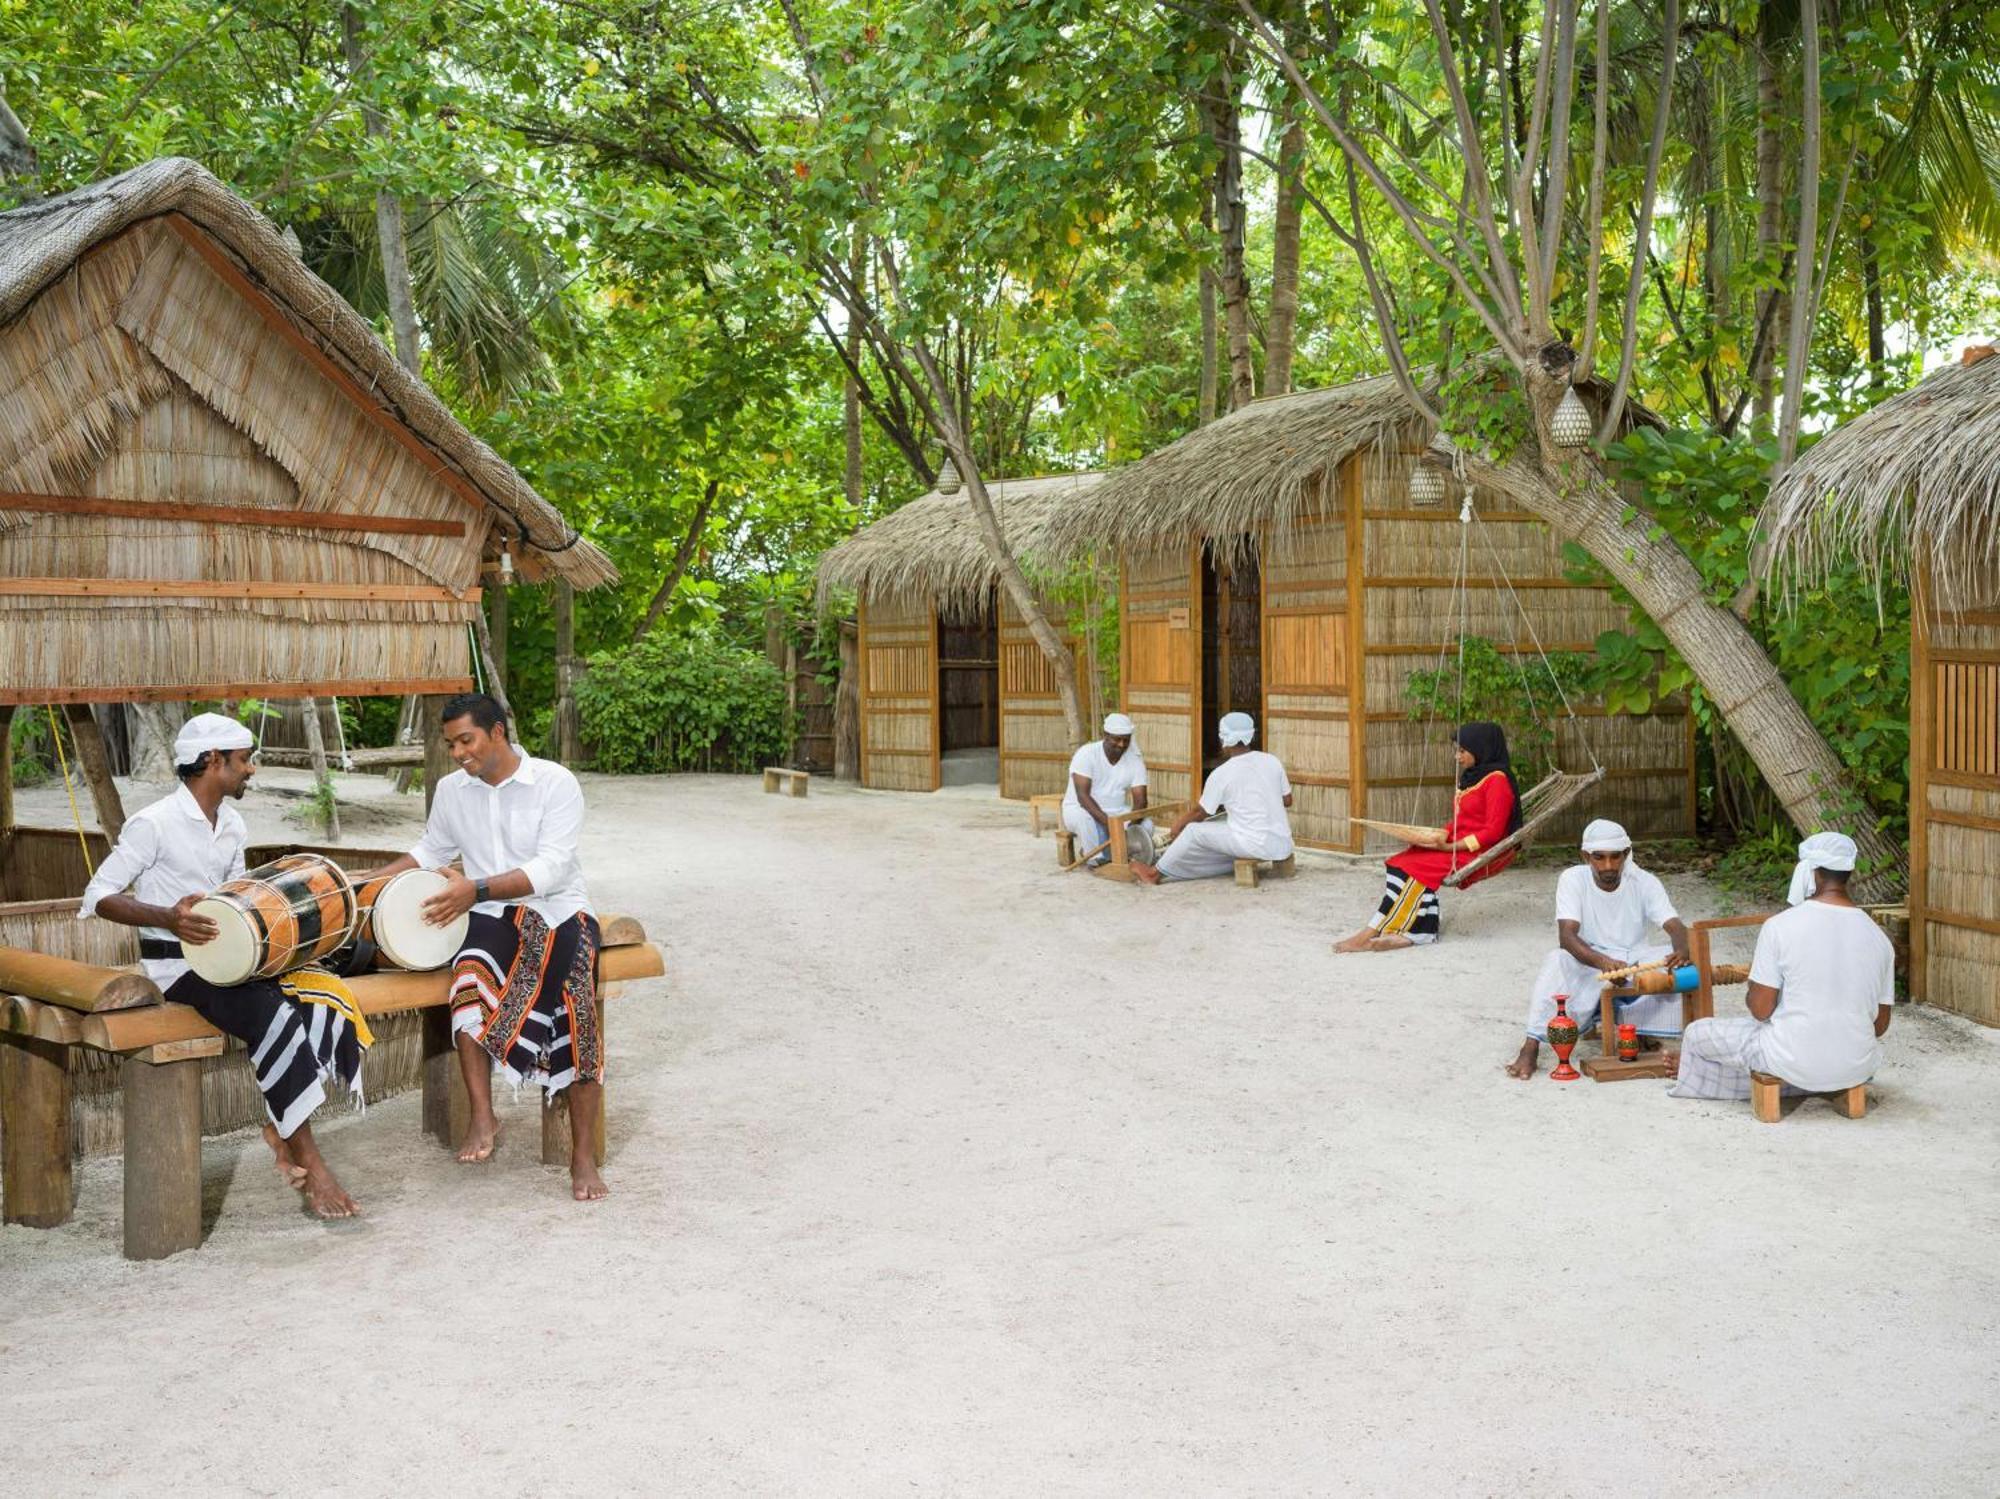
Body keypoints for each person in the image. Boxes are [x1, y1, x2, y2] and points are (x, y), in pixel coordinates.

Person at [80, 713, 369, 1218]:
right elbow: (98, 895)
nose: (251, 770)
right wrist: (168, 918)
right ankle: (309, 1158)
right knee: (271, 1013)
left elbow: (237, 899)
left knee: (327, 989)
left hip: (233, 961)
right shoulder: (155, 823)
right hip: (179, 970)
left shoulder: (231, 823)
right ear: (213, 762)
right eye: (244, 760)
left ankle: (280, 1129)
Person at [364, 693, 607, 1200]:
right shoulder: (453, 791)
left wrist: (473, 888)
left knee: (576, 1002)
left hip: (560, 911)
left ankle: (582, 1157)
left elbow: (553, 868)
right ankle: (483, 1113)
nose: (457, 753)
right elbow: (429, 851)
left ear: (498, 732)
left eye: (465, 740)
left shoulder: (554, 782)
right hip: (489, 915)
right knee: (468, 976)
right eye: (450, 743)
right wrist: (365, 883)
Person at [1666, 832, 1893, 1104]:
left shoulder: (1781, 926)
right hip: (1857, 1065)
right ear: (1848, 873)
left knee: (1697, 1032)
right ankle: (1817, 1086)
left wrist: (1754, 990)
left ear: (1811, 873)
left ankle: (1701, 1075)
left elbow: (1761, 1011)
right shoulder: (1878, 937)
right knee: (1793, 1045)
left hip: (1791, 1059)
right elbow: (1879, 1026)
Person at [1504, 819, 1691, 1079]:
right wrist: (1603, 962)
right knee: (1556, 960)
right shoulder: (1572, 879)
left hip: (1634, 960)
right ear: (1586, 856)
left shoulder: (1644, 881)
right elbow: (1567, 937)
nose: (1608, 866)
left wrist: (1682, 949)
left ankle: (1642, 1030)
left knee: (1678, 966)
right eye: (1599, 858)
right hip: (1589, 961)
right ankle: (1530, 1046)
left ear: (1626, 854)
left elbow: (1675, 926)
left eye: (1616, 857)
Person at [1334, 721, 1521, 953]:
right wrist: (1431, 838)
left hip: (1478, 851)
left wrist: (1449, 847)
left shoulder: (1497, 781)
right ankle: (1421, 933)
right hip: (1456, 844)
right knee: (1399, 862)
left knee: (1413, 869)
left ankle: (1369, 933)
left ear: (1481, 748)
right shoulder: (1474, 776)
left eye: (1462, 750)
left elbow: (1493, 832)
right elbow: (1461, 821)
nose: (1457, 756)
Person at [1131, 712, 1292, 884]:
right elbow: (1287, 800)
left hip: (1254, 844)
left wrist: (1178, 826)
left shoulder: (1221, 773)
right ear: (1251, 735)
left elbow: (1200, 813)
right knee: (1222, 826)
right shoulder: (1272, 761)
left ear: (1224, 739)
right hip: (1282, 845)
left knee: (1193, 830)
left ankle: (1153, 874)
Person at [1061, 712, 1151, 867]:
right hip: (1081, 810)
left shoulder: (1134, 760)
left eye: (1126, 740)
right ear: (1105, 735)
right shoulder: (1086, 754)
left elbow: (1141, 801)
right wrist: (1111, 826)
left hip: (1117, 812)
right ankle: (1094, 857)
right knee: (1086, 821)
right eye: (1117, 739)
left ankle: (1119, 853)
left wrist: (1128, 830)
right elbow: (1083, 797)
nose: (1122, 745)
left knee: (1147, 824)